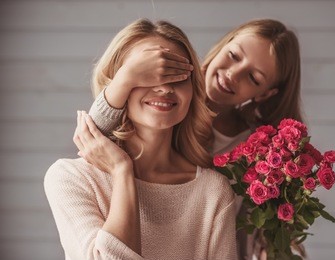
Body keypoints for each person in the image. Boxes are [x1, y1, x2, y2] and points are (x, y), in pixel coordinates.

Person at [84, 19, 303, 260]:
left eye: (253, 78)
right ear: (223, 45)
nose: (233, 74)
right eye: (234, 55)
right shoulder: (166, 102)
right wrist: (126, 77)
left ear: (266, 93)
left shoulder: (258, 150)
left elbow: (249, 227)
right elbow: (92, 136)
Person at [44, 18, 238, 260]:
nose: (165, 88)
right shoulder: (71, 179)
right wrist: (121, 171)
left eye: (178, 75)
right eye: (146, 74)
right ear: (119, 84)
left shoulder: (212, 191)